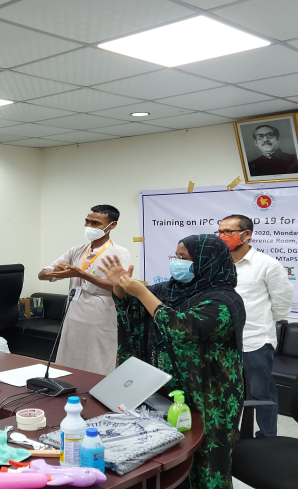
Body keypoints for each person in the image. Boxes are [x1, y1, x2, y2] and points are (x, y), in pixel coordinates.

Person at [101, 234, 245, 489]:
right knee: (166, 457)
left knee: (205, 458)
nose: (177, 263)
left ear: (207, 263)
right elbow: (134, 307)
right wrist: (120, 288)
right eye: (175, 257)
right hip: (164, 391)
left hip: (207, 396)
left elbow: (184, 329)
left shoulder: (224, 301)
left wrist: (142, 292)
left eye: (184, 258)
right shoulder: (170, 289)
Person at [219, 214, 293, 437]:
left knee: (262, 394)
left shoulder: (267, 265)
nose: (223, 236)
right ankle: (231, 435)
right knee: (227, 393)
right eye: (220, 231)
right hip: (223, 341)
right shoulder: (218, 265)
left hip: (255, 341)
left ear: (246, 234)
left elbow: (281, 305)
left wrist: (257, 321)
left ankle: (267, 438)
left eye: (228, 232)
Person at [38, 205, 131, 375]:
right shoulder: (77, 251)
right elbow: (42, 275)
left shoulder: (119, 252)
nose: (89, 227)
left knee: (97, 365)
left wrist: (83, 274)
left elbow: (120, 288)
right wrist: (56, 271)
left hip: (99, 316)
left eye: (96, 223)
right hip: (73, 315)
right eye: (87, 222)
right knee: (68, 363)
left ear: (112, 226)